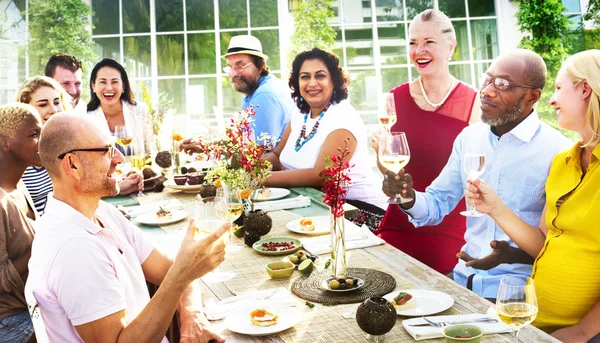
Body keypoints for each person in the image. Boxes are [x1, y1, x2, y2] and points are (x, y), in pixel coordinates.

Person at [382, 49, 571, 300]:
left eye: (502, 84)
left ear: (532, 96)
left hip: (519, 293)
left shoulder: (557, 151)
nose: (488, 90)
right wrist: (408, 197)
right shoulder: (469, 138)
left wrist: (513, 255)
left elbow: (558, 245)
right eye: (487, 79)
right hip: (462, 281)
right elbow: (438, 203)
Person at [27, 113, 228, 343]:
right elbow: (178, 274)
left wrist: (193, 315)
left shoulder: (101, 212)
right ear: (72, 164)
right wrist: (182, 275)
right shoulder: (74, 249)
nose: (120, 159)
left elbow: (169, 270)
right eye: (108, 150)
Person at [464, 50, 600, 341]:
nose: (552, 100)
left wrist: (583, 331)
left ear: (585, 89)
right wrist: (495, 208)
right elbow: (543, 244)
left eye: (560, 88)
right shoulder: (564, 162)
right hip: (535, 320)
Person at [371, 9, 480, 274]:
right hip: (400, 217)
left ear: (450, 46)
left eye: (429, 42)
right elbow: (391, 173)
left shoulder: (473, 103)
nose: (419, 50)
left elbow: (473, 171)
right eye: (413, 42)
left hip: (449, 225)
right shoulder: (395, 99)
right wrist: (379, 150)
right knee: (378, 277)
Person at [263, 48, 388, 226]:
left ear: (333, 81)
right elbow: (276, 155)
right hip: (313, 204)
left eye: (320, 76)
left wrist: (262, 178)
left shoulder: (343, 117)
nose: (312, 83)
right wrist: (247, 168)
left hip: (360, 211)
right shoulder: (300, 114)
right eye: (305, 76)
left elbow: (322, 176)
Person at [16, 76, 141, 217]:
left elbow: (79, 193)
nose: (53, 110)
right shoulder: (19, 157)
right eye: (43, 104)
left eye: (57, 102)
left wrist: (108, 208)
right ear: (25, 112)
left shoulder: (63, 148)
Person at [0, 103, 42, 343]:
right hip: (12, 322)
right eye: (34, 135)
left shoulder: (19, 185)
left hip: (31, 304)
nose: (42, 141)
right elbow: (1, 279)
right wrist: (47, 237)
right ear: (4, 143)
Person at [223, 35, 294, 142]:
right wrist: (205, 146)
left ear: (260, 66)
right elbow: (244, 142)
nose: (233, 73)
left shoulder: (265, 95)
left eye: (240, 66)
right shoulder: (252, 91)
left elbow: (258, 152)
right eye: (229, 67)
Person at [87, 58, 153, 156]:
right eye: (103, 82)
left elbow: (151, 149)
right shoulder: (85, 117)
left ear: (124, 86)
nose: (109, 88)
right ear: (93, 86)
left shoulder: (140, 111)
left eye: (114, 82)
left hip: (138, 170)